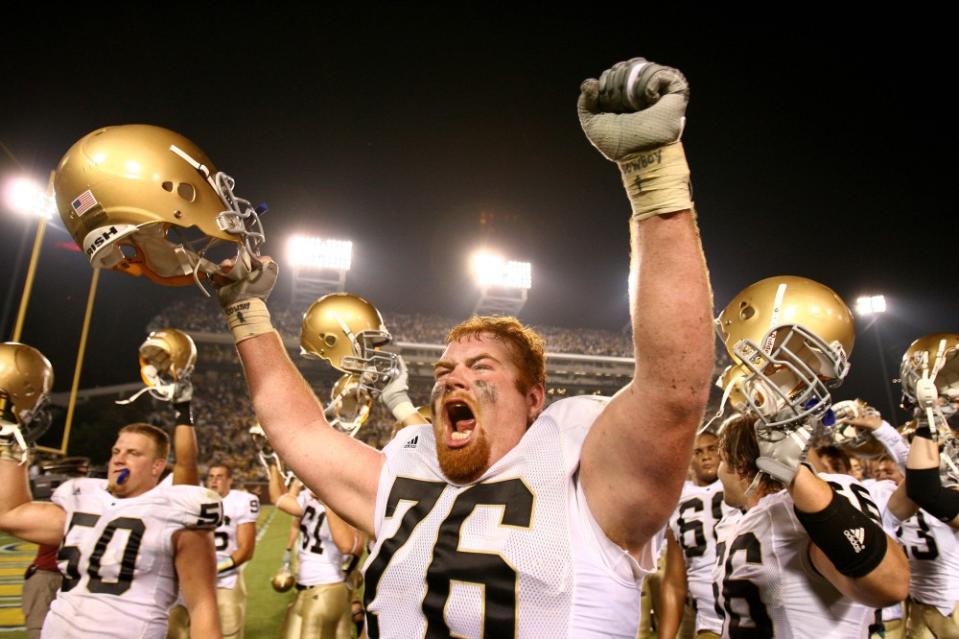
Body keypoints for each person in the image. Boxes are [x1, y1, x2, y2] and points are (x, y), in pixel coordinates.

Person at [211, 55, 714, 638]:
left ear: (534, 400)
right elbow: (297, 431)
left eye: (481, 366)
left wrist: (652, 179)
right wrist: (246, 314)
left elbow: (674, 387)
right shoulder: (409, 474)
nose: (452, 377)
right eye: (446, 367)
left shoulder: (585, 478)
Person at [0, 342, 224, 639]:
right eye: (117, 450)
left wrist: (182, 408)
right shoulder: (83, 499)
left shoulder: (173, 509)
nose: (119, 458)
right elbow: (10, 513)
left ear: (157, 467)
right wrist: (11, 438)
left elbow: (203, 607)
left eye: (133, 453)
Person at [660, 430, 736, 639]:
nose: (706, 456)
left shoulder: (740, 481)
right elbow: (675, 581)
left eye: (712, 448)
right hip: (709, 621)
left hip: (755, 619)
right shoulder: (677, 499)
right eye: (698, 452)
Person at [168, 463, 259, 639]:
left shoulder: (242, 501)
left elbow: (246, 550)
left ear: (230, 480)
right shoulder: (194, 499)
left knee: (227, 632)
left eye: (219, 477)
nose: (214, 481)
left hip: (225, 582)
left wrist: (213, 569)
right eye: (211, 476)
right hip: (189, 583)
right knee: (175, 631)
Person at [269, 464, 359, 639]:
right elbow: (278, 498)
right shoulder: (309, 500)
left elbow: (347, 546)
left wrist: (328, 501)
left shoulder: (343, 504)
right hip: (306, 588)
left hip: (327, 585)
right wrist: (273, 464)